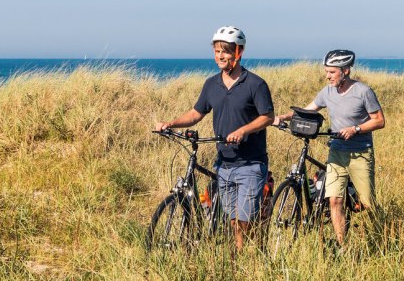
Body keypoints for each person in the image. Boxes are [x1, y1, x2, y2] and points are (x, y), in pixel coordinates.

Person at [155, 26, 275, 251]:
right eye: (217, 51)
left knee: (242, 222)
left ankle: (238, 263)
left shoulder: (255, 84)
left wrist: (244, 130)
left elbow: (268, 117)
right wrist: (170, 123)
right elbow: (196, 114)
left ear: (238, 52)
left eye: (226, 51)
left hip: (250, 163)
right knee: (232, 220)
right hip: (224, 163)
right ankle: (241, 256)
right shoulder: (211, 84)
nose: (220, 56)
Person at [277, 49, 385, 246]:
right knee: (334, 200)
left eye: (332, 72)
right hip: (336, 151)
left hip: (360, 153)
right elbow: (308, 110)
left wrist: (356, 129)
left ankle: (381, 239)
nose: (327, 76)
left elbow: (379, 121)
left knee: (368, 204)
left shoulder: (363, 92)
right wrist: (282, 117)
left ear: (345, 71)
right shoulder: (327, 92)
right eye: (326, 71)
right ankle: (341, 244)